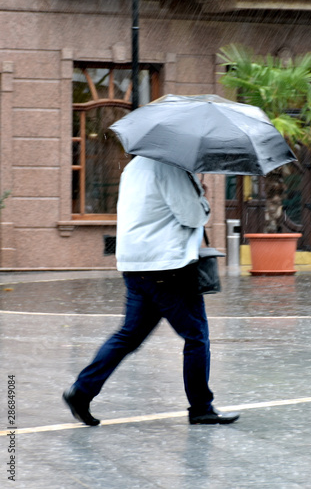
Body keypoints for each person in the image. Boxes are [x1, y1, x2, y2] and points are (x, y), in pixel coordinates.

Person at [63, 156, 239, 426]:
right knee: (196, 337)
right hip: (168, 267)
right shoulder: (172, 167)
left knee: (129, 335)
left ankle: (82, 391)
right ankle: (201, 408)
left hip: (136, 265)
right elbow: (193, 215)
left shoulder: (135, 166)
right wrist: (202, 197)